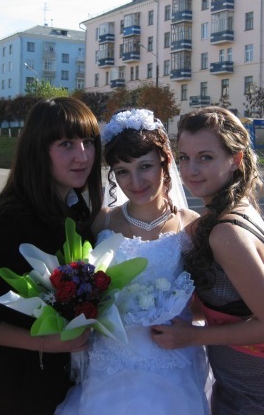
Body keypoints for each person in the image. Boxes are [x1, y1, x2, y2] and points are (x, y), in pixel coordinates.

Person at [0, 97, 103, 414]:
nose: (82, 156)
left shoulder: (77, 211)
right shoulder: (10, 220)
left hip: (67, 390)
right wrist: (45, 343)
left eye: (88, 142)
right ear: (38, 150)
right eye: (66, 144)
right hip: (12, 393)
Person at [151, 107, 264, 415]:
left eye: (205, 157)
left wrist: (194, 335)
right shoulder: (233, 210)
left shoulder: (226, 232)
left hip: (258, 391)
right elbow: (229, 302)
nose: (191, 170)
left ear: (235, 159)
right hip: (237, 381)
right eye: (184, 157)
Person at [56, 108, 210, 415]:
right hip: (109, 367)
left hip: (171, 365)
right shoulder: (101, 222)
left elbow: (204, 302)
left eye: (145, 166)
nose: (135, 181)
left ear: (166, 161)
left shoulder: (192, 226)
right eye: (123, 171)